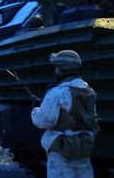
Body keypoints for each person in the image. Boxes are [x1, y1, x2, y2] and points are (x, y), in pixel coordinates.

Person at [31, 50, 97, 178]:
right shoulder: (90, 91)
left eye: (57, 68)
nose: (55, 71)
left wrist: (36, 109)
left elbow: (44, 121)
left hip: (61, 151)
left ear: (62, 68)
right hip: (83, 147)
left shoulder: (57, 92)